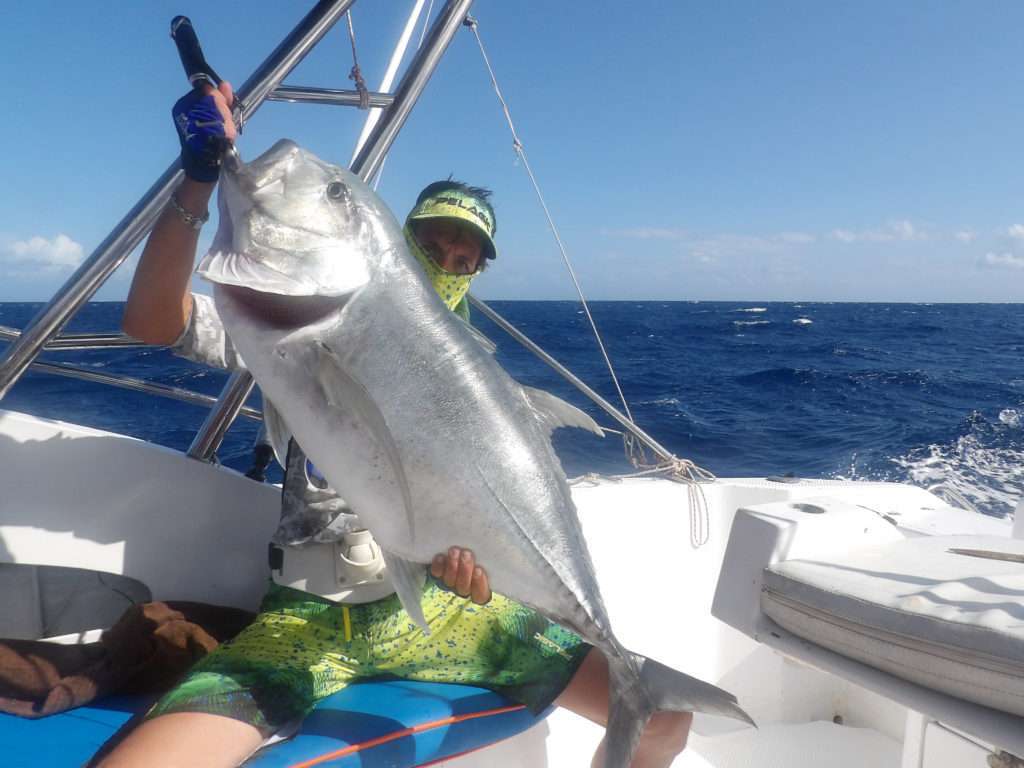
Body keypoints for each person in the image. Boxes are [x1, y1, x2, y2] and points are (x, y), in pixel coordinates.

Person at [96, 82, 691, 768]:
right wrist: (199, 180)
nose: (447, 263)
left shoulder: (487, 389)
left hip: (452, 615)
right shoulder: (289, 321)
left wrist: (479, 572)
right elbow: (149, 320)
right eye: (430, 246)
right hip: (313, 617)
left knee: (664, 716)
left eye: (465, 258)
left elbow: (483, 528)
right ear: (393, 243)